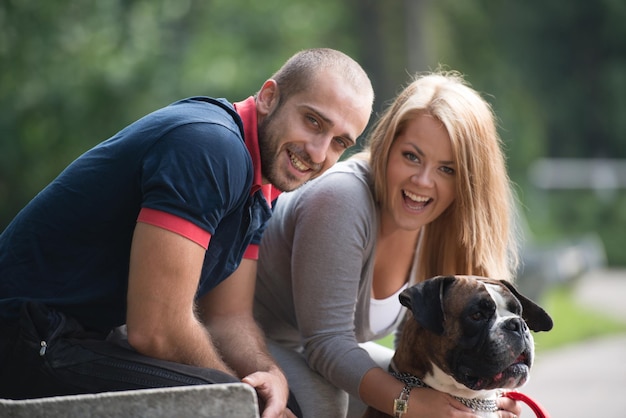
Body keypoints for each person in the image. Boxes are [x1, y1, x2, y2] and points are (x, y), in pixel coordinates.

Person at [0, 48, 374, 418]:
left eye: (340, 142)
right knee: (232, 407)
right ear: (269, 97)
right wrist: (238, 393)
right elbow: (157, 330)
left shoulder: (265, 180)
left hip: (77, 338)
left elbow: (227, 317)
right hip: (24, 336)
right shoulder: (210, 148)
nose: (318, 151)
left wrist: (269, 374)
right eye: (313, 121)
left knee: (275, 403)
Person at [254, 71, 524, 418]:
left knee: (458, 404)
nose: (423, 181)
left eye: (447, 169)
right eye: (412, 156)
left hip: (312, 348)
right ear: (386, 146)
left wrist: (488, 397)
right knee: (327, 402)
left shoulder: (444, 224)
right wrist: (408, 403)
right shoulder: (341, 200)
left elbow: (427, 349)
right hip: (247, 340)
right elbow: (326, 344)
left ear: (469, 181)